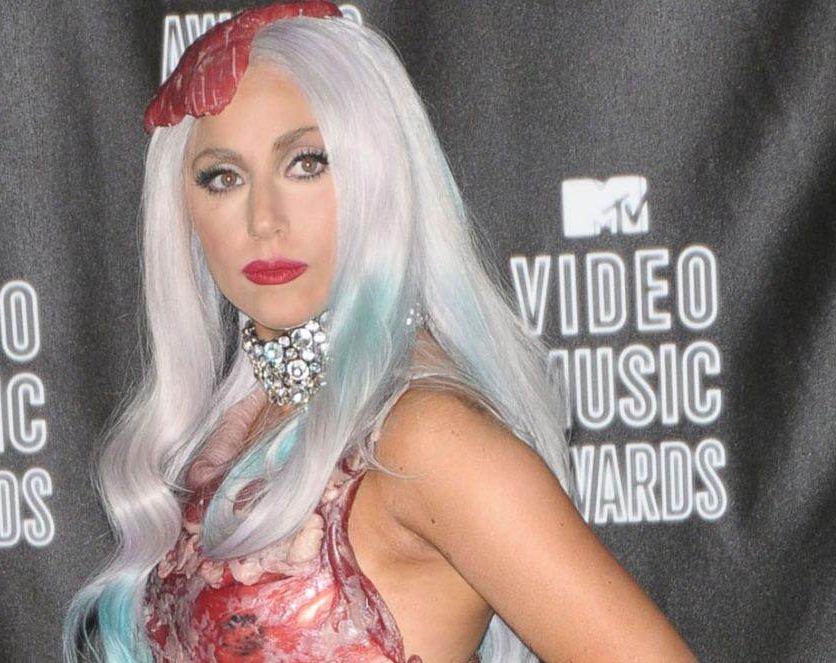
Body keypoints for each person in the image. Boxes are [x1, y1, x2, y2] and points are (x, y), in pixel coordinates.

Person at [66, 2, 696, 661]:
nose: (263, 219)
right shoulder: (232, 433)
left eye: (307, 163)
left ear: (380, 176)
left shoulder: (424, 439)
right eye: (223, 177)